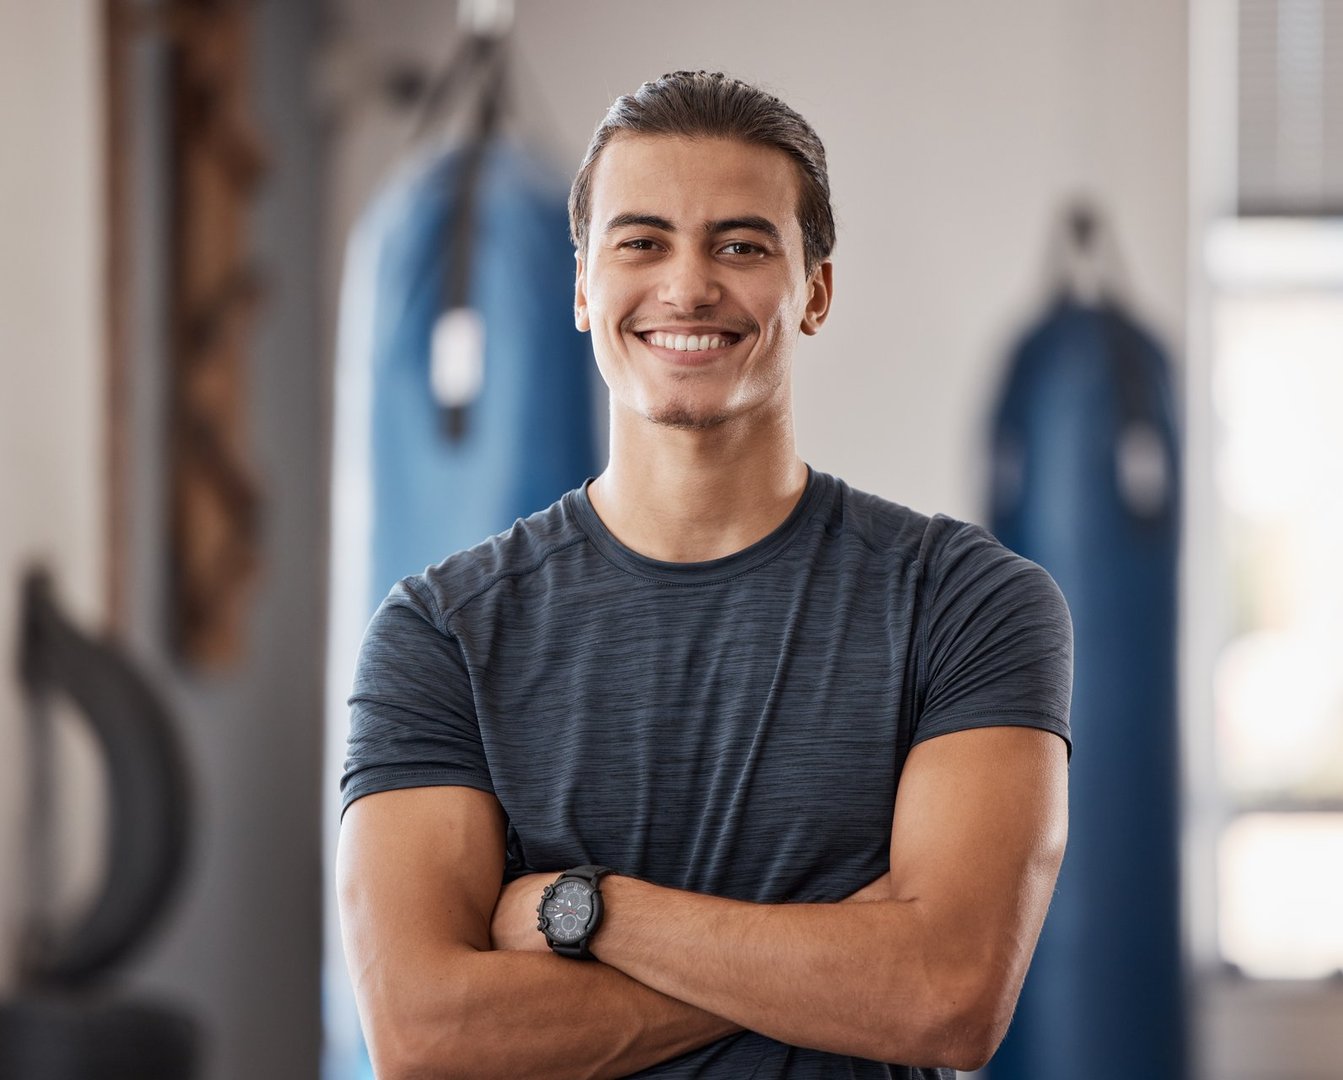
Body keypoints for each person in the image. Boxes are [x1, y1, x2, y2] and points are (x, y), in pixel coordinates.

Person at [337, 70, 1073, 1079]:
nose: (688, 287)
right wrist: (832, 962)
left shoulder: (966, 604)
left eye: (741, 245)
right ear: (585, 290)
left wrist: (586, 910)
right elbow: (426, 1037)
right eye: (642, 242)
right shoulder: (440, 632)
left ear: (814, 290)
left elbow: (946, 997)